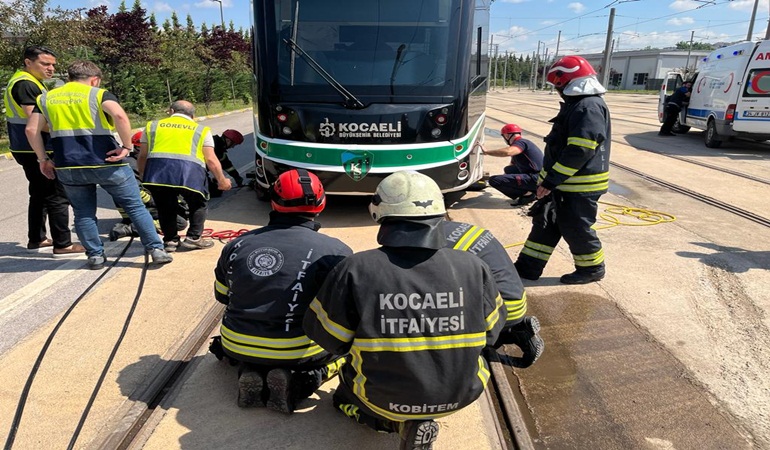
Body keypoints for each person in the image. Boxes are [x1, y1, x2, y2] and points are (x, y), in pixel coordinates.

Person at [304, 171, 506, 450]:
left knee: (342, 396)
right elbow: (493, 333)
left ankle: (392, 423)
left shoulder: (356, 269)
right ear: (438, 211)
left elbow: (329, 339)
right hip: (462, 394)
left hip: (382, 399)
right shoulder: (473, 266)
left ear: (379, 213)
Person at [210, 169, 353, 413]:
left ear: (274, 202)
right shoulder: (336, 251)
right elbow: (342, 312)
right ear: (322, 203)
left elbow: (222, 295)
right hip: (295, 347)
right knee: (347, 352)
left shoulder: (237, 245)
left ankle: (250, 368)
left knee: (230, 347)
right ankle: (302, 380)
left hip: (235, 342)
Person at [26, 60, 173, 270]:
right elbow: (120, 115)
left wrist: (43, 160)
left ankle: (95, 256)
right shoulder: (98, 94)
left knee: (83, 213)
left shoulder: (46, 98)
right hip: (106, 162)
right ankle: (156, 249)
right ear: (94, 79)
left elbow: (31, 130)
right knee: (135, 207)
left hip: (68, 166)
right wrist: (126, 147)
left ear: (70, 78)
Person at [514, 55, 610, 285]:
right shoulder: (578, 105)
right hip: (562, 184)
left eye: (557, 86)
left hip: (578, 186)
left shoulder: (588, 107)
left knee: (576, 227)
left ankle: (592, 268)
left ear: (564, 82)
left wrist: (550, 181)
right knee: (546, 222)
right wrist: (547, 181)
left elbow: (580, 150)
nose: (557, 91)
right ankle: (527, 267)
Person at [4, 46, 84, 257]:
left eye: (53, 65)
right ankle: (63, 243)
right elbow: (36, 121)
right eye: (45, 64)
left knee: (39, 194)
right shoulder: (26, 85)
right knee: (56, 194)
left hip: (24, 146)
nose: (51, 69)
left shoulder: (24, 81)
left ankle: (37, 238)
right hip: (36, 147)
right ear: (28, 62)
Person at [443, 218, 544, 367]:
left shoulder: (432, 245)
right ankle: (513, 331)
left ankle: (480, 353)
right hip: (514, 301)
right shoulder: (453, 228)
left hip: (498, 309)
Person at [137, 100, 232, 252]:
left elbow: (142, 156)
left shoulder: (152, 126)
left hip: (158, 174)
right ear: (193, 115)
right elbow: (211, 160)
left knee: (165, 208)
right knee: (198, 203)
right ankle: (193, 238)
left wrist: (143, 175)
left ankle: (170, 241)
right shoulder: (201, 130)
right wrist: (222, 180)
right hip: (189, 174)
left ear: (171, 111)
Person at [108, 131, 189, 241]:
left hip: (136, 206)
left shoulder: (141, 162)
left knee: (179, 211)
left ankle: (137, 223)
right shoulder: (131, 165)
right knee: (180, 223)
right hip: (137, 206)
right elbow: (137, 192)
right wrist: (157, 202)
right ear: (140, 148)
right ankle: (130, 228)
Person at [481, 124, 544, 206]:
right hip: (539, 175)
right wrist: (506, 179)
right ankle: (530, 189)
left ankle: (528, 194)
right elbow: (512, 163)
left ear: (507, 136)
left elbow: (508, 152)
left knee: (494, 180)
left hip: (536, 178)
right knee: (508, 169)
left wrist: (487, 152)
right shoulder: (523, 142)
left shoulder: (520, 143)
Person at [209, 129, 245, 197]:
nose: (233, 147)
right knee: (215, 192)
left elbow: (227, 165)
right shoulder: (215, 147)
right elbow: (213, 165)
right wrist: (220, 179)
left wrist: (237, 177)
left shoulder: (218, 146)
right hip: (194, 171)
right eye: (233, 144)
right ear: (228, 141)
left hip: (197, 170)